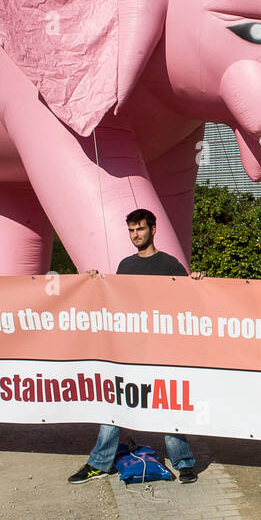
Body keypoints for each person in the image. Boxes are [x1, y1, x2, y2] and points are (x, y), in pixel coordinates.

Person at [68, 208, 204, 486]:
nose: (135, 235)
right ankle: (99, 463)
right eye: (131, 230)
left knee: (168, 406)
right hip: (129, 352)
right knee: (115, 403)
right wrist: (93, 282)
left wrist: (198, 282)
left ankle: (184, 463)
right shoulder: (125, 266)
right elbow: (114, 301)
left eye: (140, 229)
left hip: (162, 351)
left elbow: (189, 301)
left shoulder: (170, 265)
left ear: (153, 229)